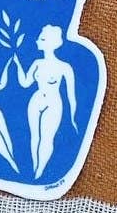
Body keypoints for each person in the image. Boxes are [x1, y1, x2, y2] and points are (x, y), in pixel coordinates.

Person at [15, 23, 76, 179]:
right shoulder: (37, 63)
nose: (37, 41)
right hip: (36, 100)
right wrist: (18, 65)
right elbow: (25, 83)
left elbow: (71, 95)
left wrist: (73, 117)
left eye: (41, 39)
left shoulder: (64, 67)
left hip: (53, 103)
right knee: (34, 136)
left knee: (47, 138)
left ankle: (41, 171)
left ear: (51, 43)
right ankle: (34, 169)